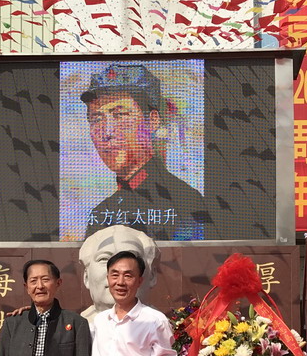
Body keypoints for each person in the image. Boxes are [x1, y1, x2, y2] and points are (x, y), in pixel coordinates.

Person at [80, 62, 212, 240]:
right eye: (96, 119)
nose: (107, 132)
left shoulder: (184, 202)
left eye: (120, 115)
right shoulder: (102, 212)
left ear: (152, 121)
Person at [78, 224, 159, 325]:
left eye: (130, 257)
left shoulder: (158, 322)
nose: (119, 280)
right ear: (86, 276)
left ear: (152, 276)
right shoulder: (78, 326)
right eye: (104, 258)